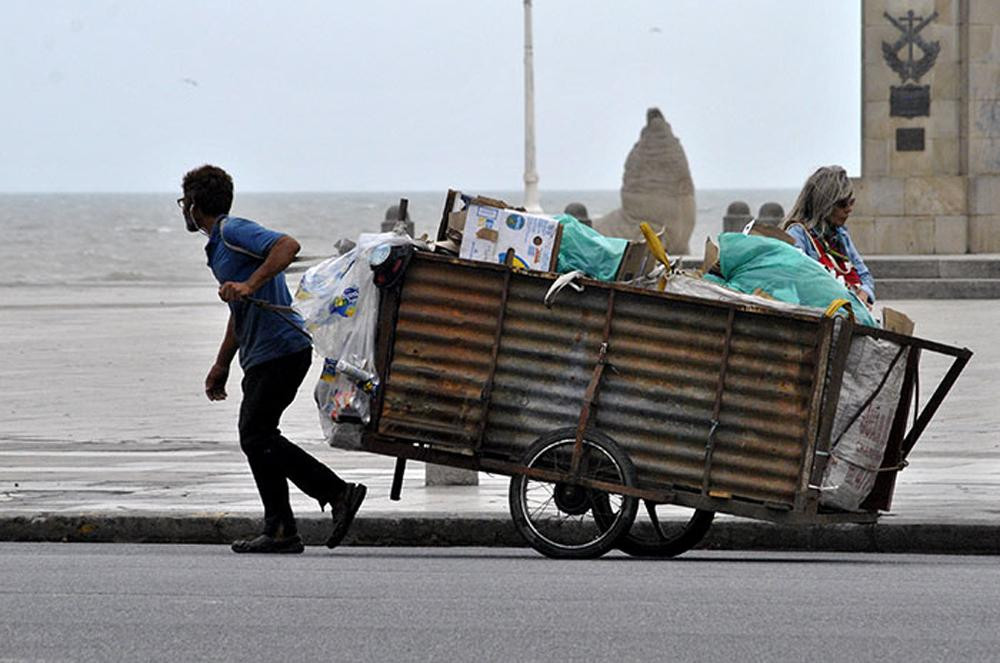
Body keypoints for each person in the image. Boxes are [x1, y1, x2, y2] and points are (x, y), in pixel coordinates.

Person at [179, 164, 366, 554]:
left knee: (256, 434)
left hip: (282, 348)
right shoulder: (218, 247)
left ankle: (336, 493)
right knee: (257, 437)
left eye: (185, 202)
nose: (184, 209)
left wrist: (249, 283)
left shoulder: (232, 230)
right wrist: (221, 363)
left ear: (195, 206)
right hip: (262, 353)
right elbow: (241, 310)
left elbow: (287, 246)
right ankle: (280, 528)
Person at [781, 165, 875, 308]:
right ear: (824, 205)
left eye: (851, 202)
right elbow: (799, 282)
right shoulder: (798, 235)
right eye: (842, 204)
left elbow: (865, 276)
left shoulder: (841, 235)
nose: (849, 209)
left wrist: (863, 294)